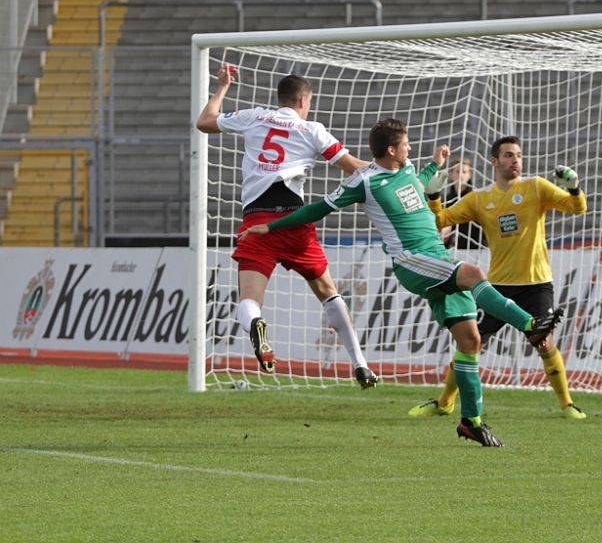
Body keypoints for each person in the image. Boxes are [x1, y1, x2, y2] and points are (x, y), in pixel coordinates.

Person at [240, 118, 564, 447]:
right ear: (391, 150)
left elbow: (416, 185)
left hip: (437, 255)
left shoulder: (407, 168)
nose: (410, 147)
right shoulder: (364, 181)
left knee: (470, 340)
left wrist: (435, 166)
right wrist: (272, 226)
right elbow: (318, 209)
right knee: (474, 274)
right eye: (406, 143)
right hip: (412, 259)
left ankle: (471, 422)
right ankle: (530, 326)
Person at [195, 64, 378, 389]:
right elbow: (352, 167)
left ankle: (257, 324)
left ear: (280, 98)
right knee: (328, 292)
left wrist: (222, 87)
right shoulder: (312, 129)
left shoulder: (254, 116)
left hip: (256, 221)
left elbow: (204, 122)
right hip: (294, 222)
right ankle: (360, 363)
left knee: (249, 301)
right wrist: (392, 170)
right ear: (304, 101)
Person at [410, 135, 589, 420]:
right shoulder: (480, 199)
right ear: (494, 161)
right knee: (471, 342)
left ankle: (567, 404)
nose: (515, 160)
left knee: (544, 343)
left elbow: (577, 208)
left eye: (518, 155)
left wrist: (574, 187)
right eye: (508, 155)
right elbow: (439, 221)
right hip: (497, 289)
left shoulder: (536, 187)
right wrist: (433, 197)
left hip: (536, 285)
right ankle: (444, 403)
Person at [439, 157, 483, 250]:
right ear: (451, 174)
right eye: (457, 171)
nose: (460, 175)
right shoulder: (446, 201)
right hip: (450, 250)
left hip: (474, 249)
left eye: (464, 172)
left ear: (470, 174)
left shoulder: (477, 199)